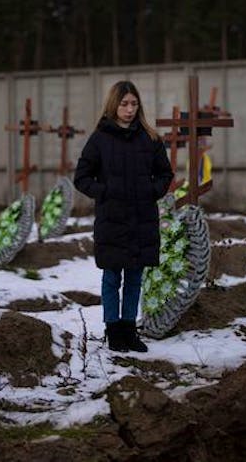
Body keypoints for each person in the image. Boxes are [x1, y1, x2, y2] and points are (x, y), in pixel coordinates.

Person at [74, 80, 173, 353]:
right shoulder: (100, 139)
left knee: (134, 277)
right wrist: (104, 192)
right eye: (124, 104)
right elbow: (81, 177)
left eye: (134, 104)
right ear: (113, 105)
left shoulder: (149, 139)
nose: (129, 109)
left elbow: (165, 173)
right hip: (112, 220)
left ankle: (130, 330)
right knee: (111, 277)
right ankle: (113, 330)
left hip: (142, 218)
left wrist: (151, 191)